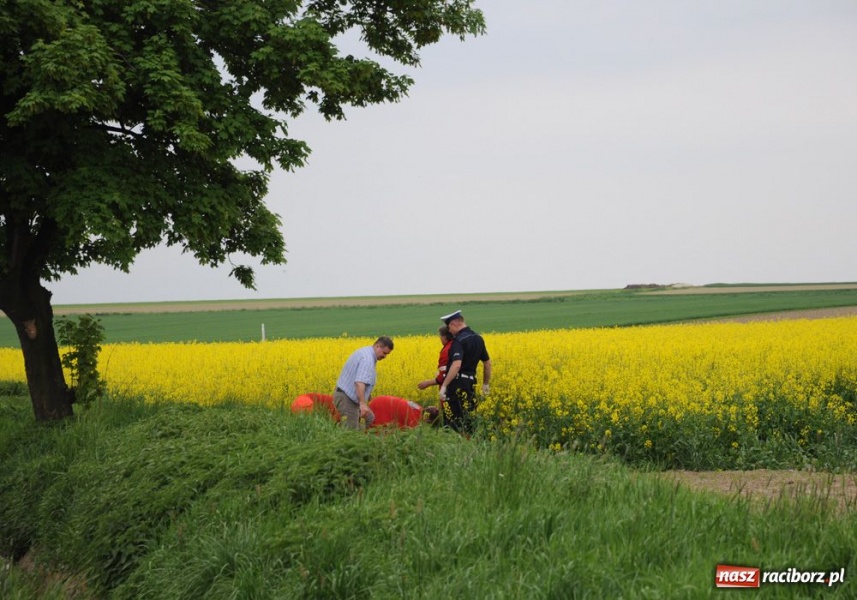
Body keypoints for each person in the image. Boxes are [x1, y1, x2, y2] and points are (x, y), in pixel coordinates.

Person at [437, 310, 491, 434]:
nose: (449, 331)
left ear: (456, 323)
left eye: (449, 326)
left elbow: (456, 365)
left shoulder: (459, 341)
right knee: (469, 418)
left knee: (454, 422)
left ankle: (455, 447)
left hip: (457, 385)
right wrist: (485, 384)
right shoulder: (478, 338)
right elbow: (487, 363)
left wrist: (444, 385)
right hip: (471, 384)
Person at [333, 336, 394, 430]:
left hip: (348, 396)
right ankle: (353, 441)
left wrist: (366, 395)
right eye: (384, 353)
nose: (385, 356)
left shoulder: (365, 352)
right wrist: (362, 403)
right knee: (351, 432)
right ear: (377, 346)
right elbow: (359, 382)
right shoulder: (367, 359)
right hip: (347, 399)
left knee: (370, 418)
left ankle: (362, 439)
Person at [417, 325, 453, 391]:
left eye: (440, 336)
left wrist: (428, 383)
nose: (440, 338)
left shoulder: (447, 351)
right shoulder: (457, 346)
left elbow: (444, 376)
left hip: (449, 390)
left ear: (445, 337)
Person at [368, 395, 440, 428]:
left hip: (379, 400)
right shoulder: (414, 421)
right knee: (377, 433)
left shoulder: (418, 408)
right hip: (382, 407)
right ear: (429, 420)